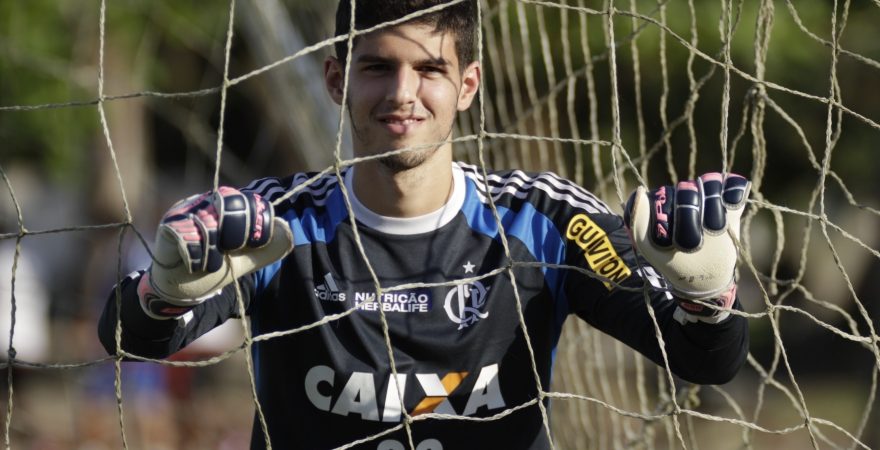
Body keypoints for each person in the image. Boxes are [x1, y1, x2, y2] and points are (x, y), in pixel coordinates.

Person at [98, 1, 750, 448]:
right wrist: (164, 292)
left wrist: (708, 298)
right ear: (336, 80)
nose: (403, 93)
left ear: (467, 86)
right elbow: (128, 338)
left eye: (429, 69)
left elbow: (703, 358)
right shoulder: (280, 224)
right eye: (378, 66)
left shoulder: (543, 219)